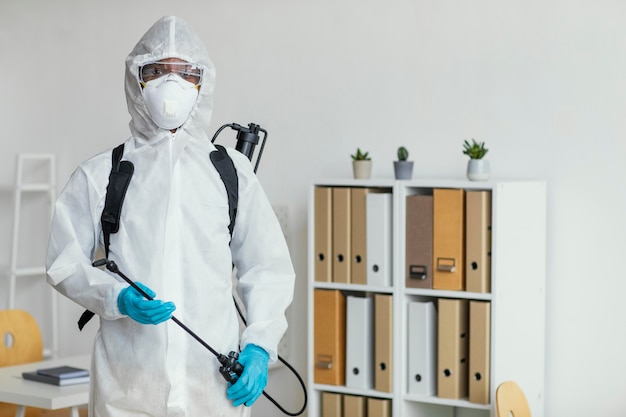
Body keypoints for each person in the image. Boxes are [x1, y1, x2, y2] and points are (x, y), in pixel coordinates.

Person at [45, 16, 295, 417]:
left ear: (203, 82)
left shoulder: (230, 172)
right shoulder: (101, 174)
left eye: (185, 72)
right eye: (157, 71)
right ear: (135, 80)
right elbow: (63, 262)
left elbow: (266, 266)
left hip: (212, 390)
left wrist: (261, 346)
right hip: (127, 390)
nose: (171, 84)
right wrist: (116, 297)